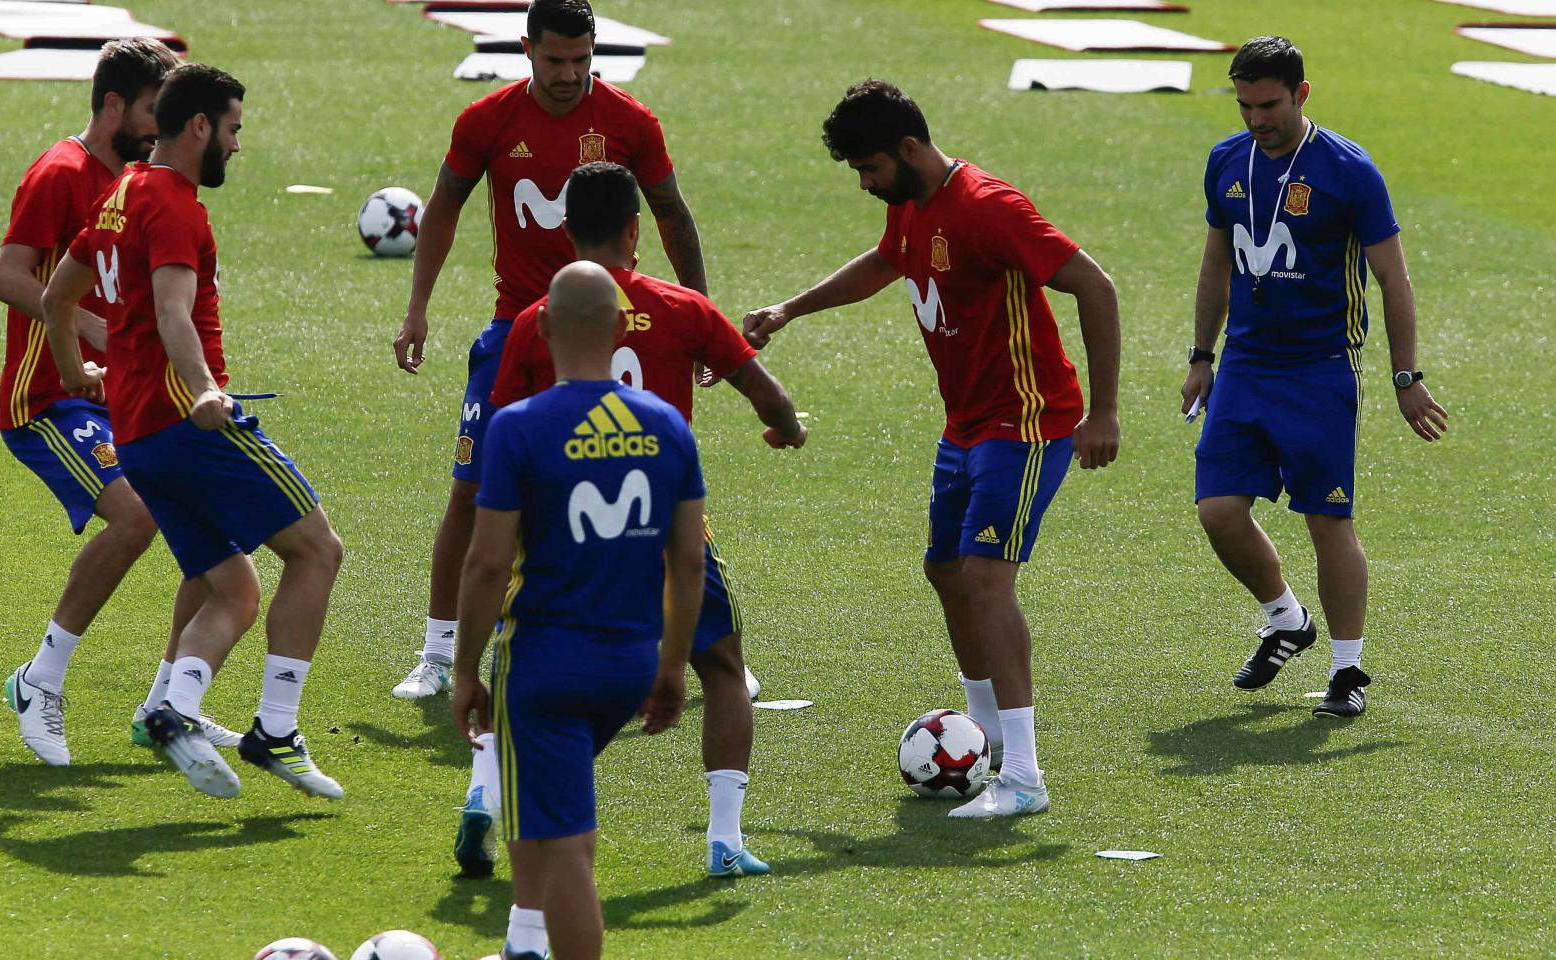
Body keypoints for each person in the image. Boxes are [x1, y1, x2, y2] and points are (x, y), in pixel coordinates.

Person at [742, 80, 1122, 818]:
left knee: (985, 576)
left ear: (909, 148)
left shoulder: (988, 208)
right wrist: (792, 309)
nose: (864, 183)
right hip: (967, 425)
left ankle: (1026, 780)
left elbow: (1095, 286)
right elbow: (887, 262)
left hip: (1027, 420)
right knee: (944, 569)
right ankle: (989, 736)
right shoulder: (914, 206)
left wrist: (1104, 411)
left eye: (870, 167)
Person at [446, 161, 804, 879]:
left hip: (557, 532)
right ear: (636, 229)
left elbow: (503, 426)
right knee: (724, 668)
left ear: (566, 230)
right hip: (664, 533)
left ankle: (487, 790)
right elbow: (765, 393)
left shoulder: (535, 321)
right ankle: (725, 840)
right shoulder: (685, 310)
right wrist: (787, 428)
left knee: (523, 668)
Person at [388, 0, 715, 705]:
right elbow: (443, 206)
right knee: (472, 491)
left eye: (581, 59)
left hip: (613, 329)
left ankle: (703, 645)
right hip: (518, 329)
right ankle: (440, 651)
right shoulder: (487, 121)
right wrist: (418, 308)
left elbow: (672, 214)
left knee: (657, 483)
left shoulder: (631, 122)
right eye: (555, 60)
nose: (569, 75)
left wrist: (700, 317)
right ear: (527, 49)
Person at [41, 63, 347, 799]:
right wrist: (206, 389)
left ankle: (173, 710)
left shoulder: (118, 195)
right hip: (189, 423)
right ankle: (277, 728)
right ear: (201, 126)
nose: (238, 146)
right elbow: (175, 312)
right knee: (317, 552)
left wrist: (78, 373)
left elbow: (56, 298)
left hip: (140, 438)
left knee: (233, 592)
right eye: (235, 128)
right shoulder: (176, 205)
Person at [0, 38, 242, 765]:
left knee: (201, 515)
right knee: (134, 515)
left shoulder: (135, 180)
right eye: (149, 106)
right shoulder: (60, 173)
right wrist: (89, 327)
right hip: (49, 397)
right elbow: (5, 277)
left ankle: (166, 703)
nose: (161, 118)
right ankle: (41, 678)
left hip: (122, 397)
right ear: (112, 105)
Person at [1182, 36, 1447, 717]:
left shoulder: (1348, 170)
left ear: (1303, 94)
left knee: (1327, 520)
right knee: (1218, 510)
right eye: (1244, 104)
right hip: (1243, 364)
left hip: (1319, 368)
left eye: (1269, 104)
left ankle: (1348, 670)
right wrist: (1201, 357)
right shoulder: (1226, 162)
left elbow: (1393, 278)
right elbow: (1216, 265)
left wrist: (1405, 375)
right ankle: (1285, 619)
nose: (1256, 118)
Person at [452, 261, 703, 960]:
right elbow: (687, 563)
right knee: (554, 806)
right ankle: (523, 946)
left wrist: (464, 667)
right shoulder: (668, 427)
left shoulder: (520, 428)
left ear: (539, 325)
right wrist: (674, 665)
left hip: (546, 664)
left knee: (565, 844)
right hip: (630, 661)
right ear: (622, 326)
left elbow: (487, 561)